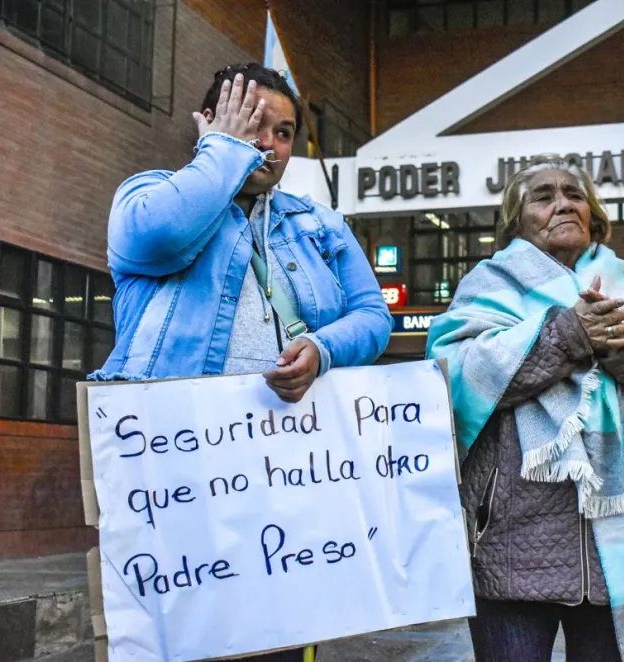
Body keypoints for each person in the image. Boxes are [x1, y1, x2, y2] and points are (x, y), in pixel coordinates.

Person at [94, 64, 392, 662]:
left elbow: (372, 316)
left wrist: (323, 349)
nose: (269, 145)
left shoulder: (321, 225)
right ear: (207, 123)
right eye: (252, 124)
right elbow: (163, 238)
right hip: (175, 474)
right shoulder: (148, 197)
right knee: (185, 634)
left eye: (283, 133)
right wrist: (221, 155)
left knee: (279, 634)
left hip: (289, 471)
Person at [426, 156, 624, 661]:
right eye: (543, 196)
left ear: (593, 214)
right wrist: (569, 333)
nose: (563, 204)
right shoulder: (488, 287)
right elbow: (455, 379)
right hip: (510, 542)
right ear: (516, 222)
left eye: (574, 195)